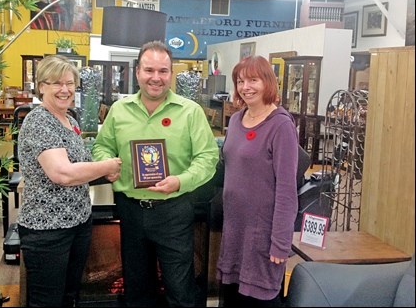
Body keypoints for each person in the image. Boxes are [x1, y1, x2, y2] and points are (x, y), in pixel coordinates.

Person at [92, 40, 219, 307]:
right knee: (137, 289)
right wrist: (107, 165)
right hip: (129, 210)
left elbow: (208, 157)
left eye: (163, 71)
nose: (156, 78)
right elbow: (102, 146)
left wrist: (180, 181)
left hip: (174, 210)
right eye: (149, 70)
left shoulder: (190, 112)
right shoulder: (119, 110)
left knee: (180, 290)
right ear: (137, 72)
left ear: (171, 74)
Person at [16, 54, 122, 307]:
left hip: (77, 223)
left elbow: (81, 166)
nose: (64, 90)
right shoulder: (38, 121)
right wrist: (107, 165)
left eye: (69, 83)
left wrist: (104, 170)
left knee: (69, 297)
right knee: (47, 301)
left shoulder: (70, 120)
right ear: (41, 86)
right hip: (47, 231)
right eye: (56, 83)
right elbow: (62, 173)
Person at [216, 55, 299, 307]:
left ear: (268, 82)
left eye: (253, 80)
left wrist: (280, 244)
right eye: (240, 81)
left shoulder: (281, 126)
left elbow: (287, 191)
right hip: (234, 232)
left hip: (262, 237)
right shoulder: (235, 119)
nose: (246, 87)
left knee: (259, 299)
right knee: (231, 300)